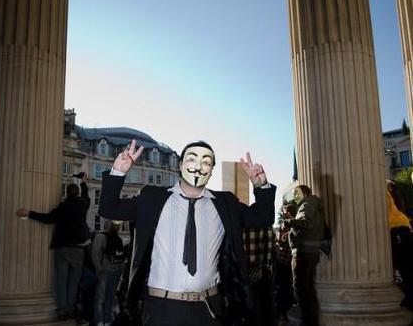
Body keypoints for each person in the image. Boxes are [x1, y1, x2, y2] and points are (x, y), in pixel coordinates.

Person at [98, 139, 276, 326]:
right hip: (161, 308)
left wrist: (261, 186)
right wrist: (118, 172)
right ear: (181, 164)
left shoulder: (225, 204)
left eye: (206, 162)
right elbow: (109, 209)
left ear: (212, 170)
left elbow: (262, 218)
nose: (199, 167)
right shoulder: (152, 198)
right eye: (192, 159)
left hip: (209, 307)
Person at [16, 173, 91, 320]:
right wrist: (83, 182)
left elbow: (47, 219)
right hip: (77, 248)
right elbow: (87, 196)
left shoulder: (62, 207)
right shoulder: (83, 205)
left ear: (66, 193)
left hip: (62, 247)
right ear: (77, 193)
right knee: (74, 281)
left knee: (61, 280)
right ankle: (70, 308)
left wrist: (29, 213)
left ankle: (62, 309)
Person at [282, 185, 325, 326]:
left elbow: (307, 223)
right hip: (309, 252)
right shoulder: (310, 205)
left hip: (303, 253)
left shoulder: (306, 205)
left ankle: (308, 322)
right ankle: (310, 321)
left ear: (305, 193)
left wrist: (288, 222)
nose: (294, 196)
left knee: (301, 289)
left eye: (297, 193)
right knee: (307, 289)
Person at [92, 221, 126, 326]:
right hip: (106, 271)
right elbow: (95, 255)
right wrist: (99, 269)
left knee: (109, 298)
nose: (117, 226)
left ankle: (106, 320)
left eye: (118, 225)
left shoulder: (117, 239)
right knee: (101, 298)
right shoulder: (102, 237)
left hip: (113, 272)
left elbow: (120, 257)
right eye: (115, 224)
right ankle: (99, 321)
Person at [387, 183, 413, 310]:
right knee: (406, 266)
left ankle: (410, 298)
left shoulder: (384, 194)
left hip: (395, 228)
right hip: (403, 226)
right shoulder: (393, 194)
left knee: (403, 265)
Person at [274, 203, 296, 322]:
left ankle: (284, 312)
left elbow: (282, 242)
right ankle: (283, 311)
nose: (284, 214)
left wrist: (283, 238)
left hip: (286, 260)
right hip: (283, 260)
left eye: (286, 212)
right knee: (284, 287)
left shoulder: (291, 225)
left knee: (285, 287)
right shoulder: (285, 225)